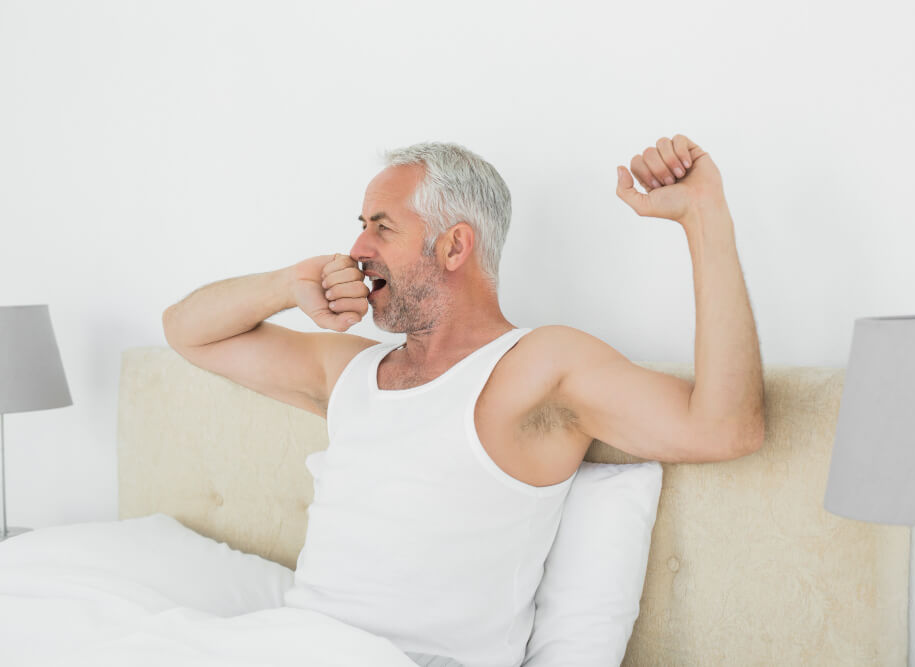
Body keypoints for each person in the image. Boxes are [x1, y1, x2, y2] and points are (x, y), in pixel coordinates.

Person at [161, 134, 765, 666]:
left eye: (381, 227)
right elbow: (186, 331)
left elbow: (725, 428)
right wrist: (286, 283)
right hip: (297, 645)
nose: (357, 249)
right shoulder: (349, 370)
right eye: (362, 225)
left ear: (454, 247)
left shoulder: (536, 367)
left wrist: (703, 216)